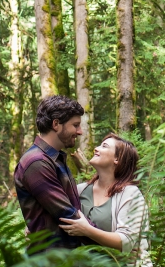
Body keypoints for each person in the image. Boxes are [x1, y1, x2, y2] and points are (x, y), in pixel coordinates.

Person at [59, 134, 152, 266]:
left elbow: (125, 242)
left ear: (117, 159)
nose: (96, 148)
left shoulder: (130, 194)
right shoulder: (80, 190)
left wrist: (87, 230)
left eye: (104, 146)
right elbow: (58, 212)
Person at [14, 95, 86, 249]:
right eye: (75, 125)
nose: (79, 132)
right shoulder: (37, 162)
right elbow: (68, 216)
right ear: (56, 124)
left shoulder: (54, 158)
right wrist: (110, 243)